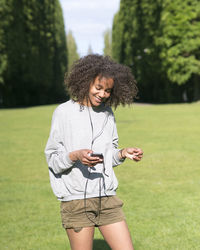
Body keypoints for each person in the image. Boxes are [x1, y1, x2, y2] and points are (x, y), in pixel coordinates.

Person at [45, 54, 143, 250]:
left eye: (108, 90)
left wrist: (122, 153)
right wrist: (75, 156)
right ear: (85, 81)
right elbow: (53, 159)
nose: (103, 94)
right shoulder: (63, 113)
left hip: (107, 197)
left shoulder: (107, 114)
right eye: (98, 88)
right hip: (76, 201)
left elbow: (109, 156)